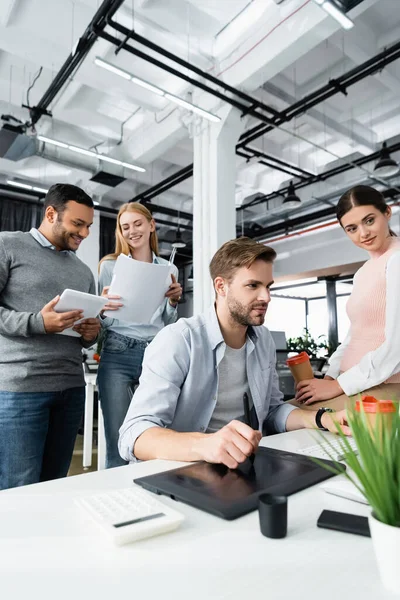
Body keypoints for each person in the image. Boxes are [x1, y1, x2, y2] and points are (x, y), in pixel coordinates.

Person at [119, 237, 349, 468]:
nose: (266, 297)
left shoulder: (263, 340)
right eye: (253, 286)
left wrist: (322, 418)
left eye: (268, 286)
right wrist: (206, 445)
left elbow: (271, 411)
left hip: (241, 465)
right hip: (182, 468)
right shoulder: (179, 339)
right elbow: (134, 435)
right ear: (221, 286)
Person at [0, 183, 100, 490]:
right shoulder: (8, 245)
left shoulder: (84, 272)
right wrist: (38, 322)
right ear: (51, 213)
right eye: (77, 224)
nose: (84, 233)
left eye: (88, 227)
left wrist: (91, 333)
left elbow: (86, 335)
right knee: (20, 486)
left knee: (55, 485)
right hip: (21, 389)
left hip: (71, 387)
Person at [295, 185, 400, 407]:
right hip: (351, 383)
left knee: (293, 419)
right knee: (287, 413)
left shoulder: (397, 260)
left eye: (369, 220)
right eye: (352, 228)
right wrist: (331, 375)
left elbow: (397, 347)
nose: (363, 233)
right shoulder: (363, 272)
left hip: (385, 385)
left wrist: (337, 386)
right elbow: (354, 335)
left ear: (387, 212)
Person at [97, 202, 182, 468]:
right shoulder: (110, 266)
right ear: (120, 233)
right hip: (118, 352)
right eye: (125, 227)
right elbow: (105, 321)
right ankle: (118, 503)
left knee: (155, 434)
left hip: (156, 353)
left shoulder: (170, 270)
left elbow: (168, 322)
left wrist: (173, 302)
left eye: (137, 224)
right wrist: (102, 307)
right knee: (118, 438)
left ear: (151, 225)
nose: (132, 231)